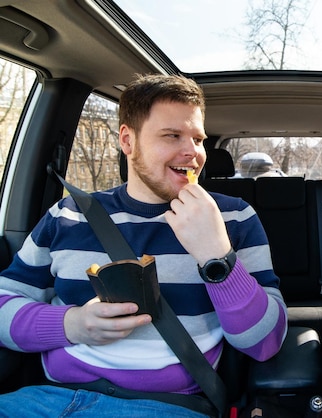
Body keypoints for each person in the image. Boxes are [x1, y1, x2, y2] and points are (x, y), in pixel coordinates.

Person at [0, 74, 287, 417]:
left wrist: (216, 256)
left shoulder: (234, 218)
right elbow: (5, 302)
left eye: (198, 139)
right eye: (172, 136)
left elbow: (265, 343)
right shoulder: (68, 214)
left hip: (168, 405)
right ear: (128, 140)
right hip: (49, 400)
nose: (193, 152)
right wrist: (72, 325)